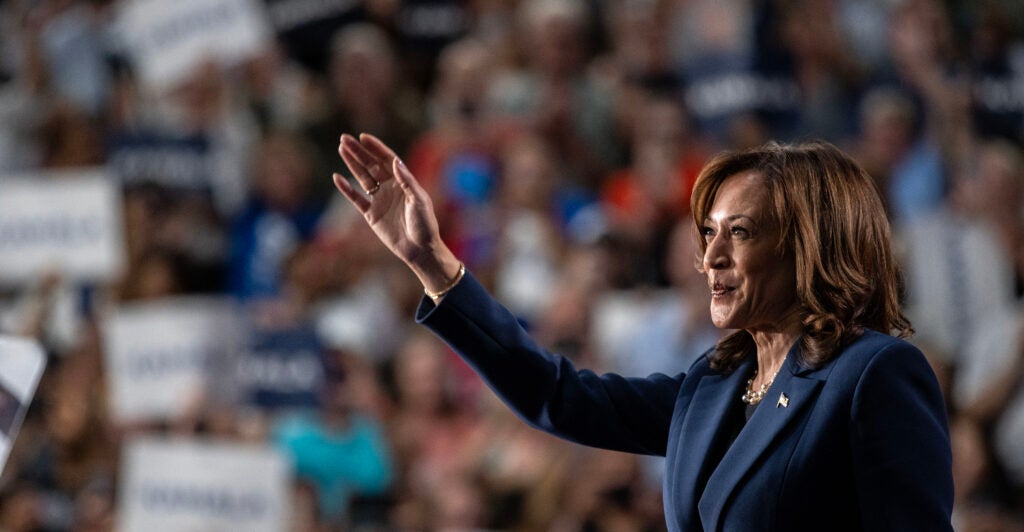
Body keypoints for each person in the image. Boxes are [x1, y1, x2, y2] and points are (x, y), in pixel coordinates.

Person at [331, 133, 953, 530]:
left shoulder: (872, 374)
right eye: (708, 234)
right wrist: (434, 264)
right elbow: (560, 397)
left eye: (739, 232)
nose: (709, 259)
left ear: (808, 247)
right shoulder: (712, 385)